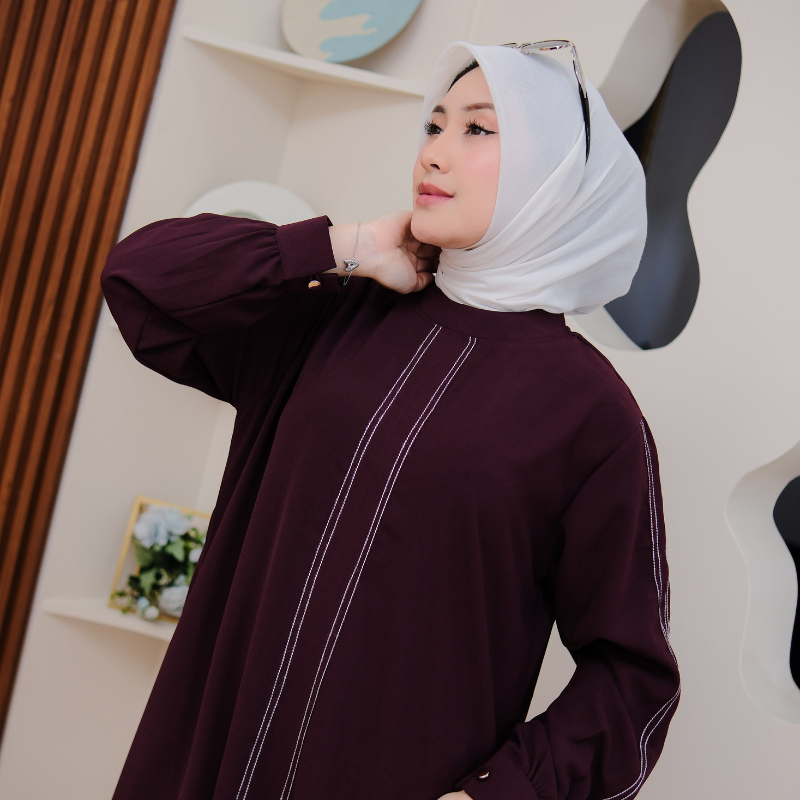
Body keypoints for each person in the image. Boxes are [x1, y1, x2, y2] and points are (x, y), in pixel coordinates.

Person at [102, 40, 680, 800]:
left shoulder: (592, 417)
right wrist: (347, 245)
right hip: (201, 773)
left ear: (554, 174)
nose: (434, 152)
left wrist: (499, 794)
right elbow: (141, 278)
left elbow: (633, 680)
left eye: (478, 129)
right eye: (434, 125)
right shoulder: (334, 311)